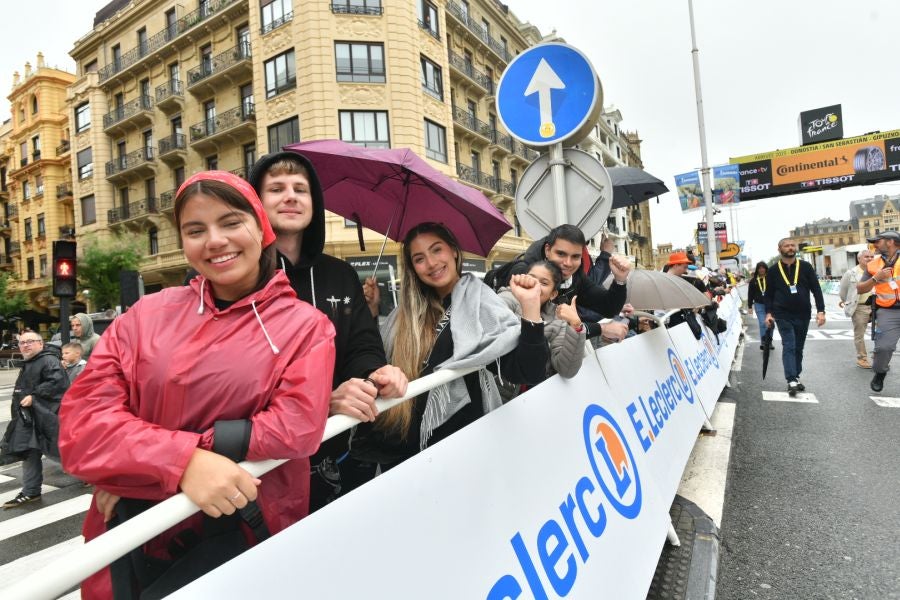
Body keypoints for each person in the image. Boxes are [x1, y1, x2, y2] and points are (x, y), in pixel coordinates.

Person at [58, 171, 336, 599]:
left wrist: (136, 469)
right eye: (195, 230)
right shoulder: (146, 313)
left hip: (243, 533)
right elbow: (82, 426)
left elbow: (294, 428)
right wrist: (182, 462)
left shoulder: (306, 327)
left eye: (230, 222)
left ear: (261, 227)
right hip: (130, 539)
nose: (214, 241)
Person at [247, 151, 407, 509]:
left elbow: (364, 345)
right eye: (276, 189)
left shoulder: (341, 274)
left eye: (300, 190)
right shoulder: (235, 277)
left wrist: (372, 378)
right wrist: (322, 403)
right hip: (262, 467)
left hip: (340, 454)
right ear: (255, 202)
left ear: (314, 204)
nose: (290, 196)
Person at [347, 222, 550, 476]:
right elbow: (379, 361)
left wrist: (530, 307)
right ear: (412, 268)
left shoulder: (482, 303)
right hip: (403, 452)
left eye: (437, 250)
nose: (431, 263)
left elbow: (528, 371)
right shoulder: (402, 313)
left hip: (462, 448)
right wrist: (373, 313)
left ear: (454, 251)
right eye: (419, 258)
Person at [510, 224, 631, 341]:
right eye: (561, 254)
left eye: (575, 257)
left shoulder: (576, 277)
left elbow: (609, 307)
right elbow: (543, 332)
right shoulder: (523, 274)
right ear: (548, 250)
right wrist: (600, 329)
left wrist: (620, 280)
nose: (568, 263)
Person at [1, 332, 68, 508]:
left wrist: (34, 396)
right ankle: (31, 491)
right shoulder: (32, 361)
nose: (25, 345)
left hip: (45, 415)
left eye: (30, 341)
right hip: (30, 417)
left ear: (40, 343)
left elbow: (58, 383)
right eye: (22, 343)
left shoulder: (48, 360)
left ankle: (96, 476)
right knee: (29, 451)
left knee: (60, 451)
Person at [497, 260, 585, 386]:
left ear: (553, 294)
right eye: (531, 278)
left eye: (544, 283)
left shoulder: (558, 320)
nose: (535, 285)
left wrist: (576, 326)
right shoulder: (506, 299)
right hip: (505, 390)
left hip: (539, 392)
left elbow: (567, 370)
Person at [764, 237, 826, 396]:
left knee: (798, 347)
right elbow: (769, 295)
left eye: (793, 245)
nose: (790, 248)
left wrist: (821, 311)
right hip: (782, 314)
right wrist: (769, 314)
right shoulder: (772, 271)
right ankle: (791, 378)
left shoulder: (806, 267)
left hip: (803, 313)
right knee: (789, 344)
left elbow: (816, 290)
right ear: (780, 249)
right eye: (787, 245)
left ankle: (796, 376)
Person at [855, 231, 900, 392]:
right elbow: (860, 289)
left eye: (877, 241)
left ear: (890, 242)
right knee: (883, 348)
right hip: (888, 311)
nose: (874, 244)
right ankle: (880, 373)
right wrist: (876, 278)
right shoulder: (873, 265)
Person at [839, 249, 874, 369]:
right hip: (860, 307)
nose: (870, 259)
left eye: (871, 256)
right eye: (866, 257)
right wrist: (848, 302)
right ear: (859, 259)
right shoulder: (851, 273)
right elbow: (843, 291)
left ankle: (880, 357)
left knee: (882, 333)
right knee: (859, 334)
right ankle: (862, 358)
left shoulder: (877, 271)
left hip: (878, 306)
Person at [747, 261, 773, 349]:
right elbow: (750, 294)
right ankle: (763, 341)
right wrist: (750, 306)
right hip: (759, 304)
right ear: (757, 270)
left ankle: (769, 341)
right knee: (762, 322)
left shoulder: (770, 279)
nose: (761, 270)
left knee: (770, 323)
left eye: (763, 268)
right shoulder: (753, 281)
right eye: (759, 268)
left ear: (766, 269)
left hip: (771, 305)